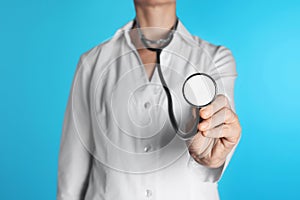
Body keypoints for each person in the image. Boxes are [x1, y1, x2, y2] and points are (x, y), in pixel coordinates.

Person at [56, 0, 242, 199]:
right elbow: (72, 173)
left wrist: (211, 155)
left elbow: (218, 133)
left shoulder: (214, 58)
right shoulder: (92, 63)